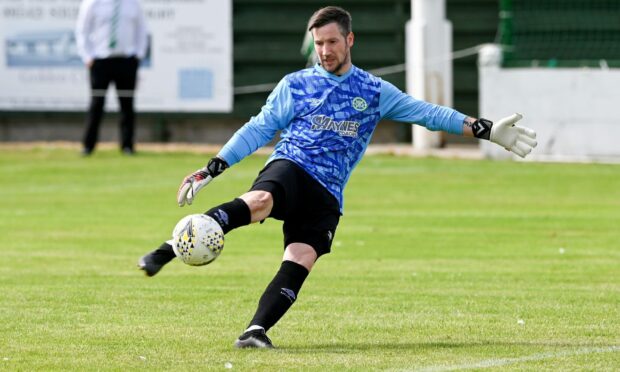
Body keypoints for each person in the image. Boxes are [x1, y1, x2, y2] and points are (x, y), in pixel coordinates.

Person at [138, 6, 538, 349]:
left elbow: (428, 113)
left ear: (350, 40)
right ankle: (170, 248)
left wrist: (484, 129)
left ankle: (255, 331)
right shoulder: (296, 85)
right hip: (291, 167)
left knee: (301, 257)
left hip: (328, 192)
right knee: (259, 202)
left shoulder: (373, 90)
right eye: (318, 43)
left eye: (331, 42)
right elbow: (258, 129)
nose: (324, 51)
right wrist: (213, 167)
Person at [75, 0, 148, 155]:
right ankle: (88, 145)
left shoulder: (132, 3)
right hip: (100, 60)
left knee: (127, 104)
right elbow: (82, 30)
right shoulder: (93, 3)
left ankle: (127, 145)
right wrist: (87, 57)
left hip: (126, 60)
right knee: (97, 104)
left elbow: (141, 29)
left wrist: (138, 55)